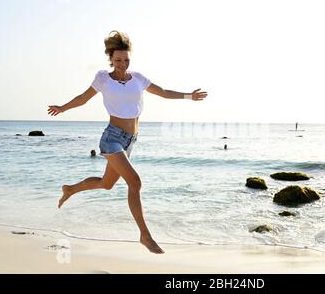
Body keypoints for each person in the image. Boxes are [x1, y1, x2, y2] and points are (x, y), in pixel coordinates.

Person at [47, 30, 208, 254]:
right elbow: (83, 98)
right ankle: (145, 235)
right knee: (135, 182)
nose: (122, 64)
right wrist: (62, 108)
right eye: (118, 60)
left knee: (106, 183)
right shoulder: (103, 78)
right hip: (112, 138)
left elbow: (162, 92)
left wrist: (189, 96)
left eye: (125, 60)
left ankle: (71, 189)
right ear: (111, 60)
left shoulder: (138, 79)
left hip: (130, 141)